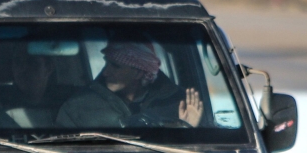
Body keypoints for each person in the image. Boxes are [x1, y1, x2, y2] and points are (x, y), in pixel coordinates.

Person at [56, 40, 204, 129]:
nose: (105, 72)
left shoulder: (178, 103)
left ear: (139, 73)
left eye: (115, 66)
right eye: (107, 63)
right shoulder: (79, 107)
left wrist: (187, 128)